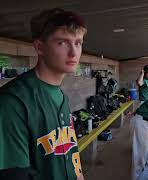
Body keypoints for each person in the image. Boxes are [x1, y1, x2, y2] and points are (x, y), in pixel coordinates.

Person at [0, 8, 87, 180]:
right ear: (40, 47)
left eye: (78, 43)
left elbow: (72, 157)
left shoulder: (61, 96)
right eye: (62, 42)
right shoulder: (12, 101)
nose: (73, 52)